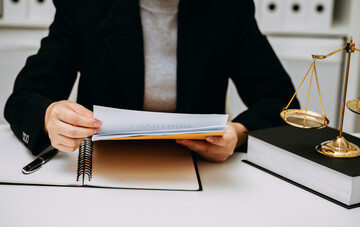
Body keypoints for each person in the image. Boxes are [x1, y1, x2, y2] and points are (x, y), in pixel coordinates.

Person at [4, 0, 299, 162]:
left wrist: (238, 133)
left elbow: (282, 103)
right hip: (104, 166)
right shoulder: (85, 6)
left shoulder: (228, 8)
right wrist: (49, 117)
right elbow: (25, 96)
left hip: (199, 170)